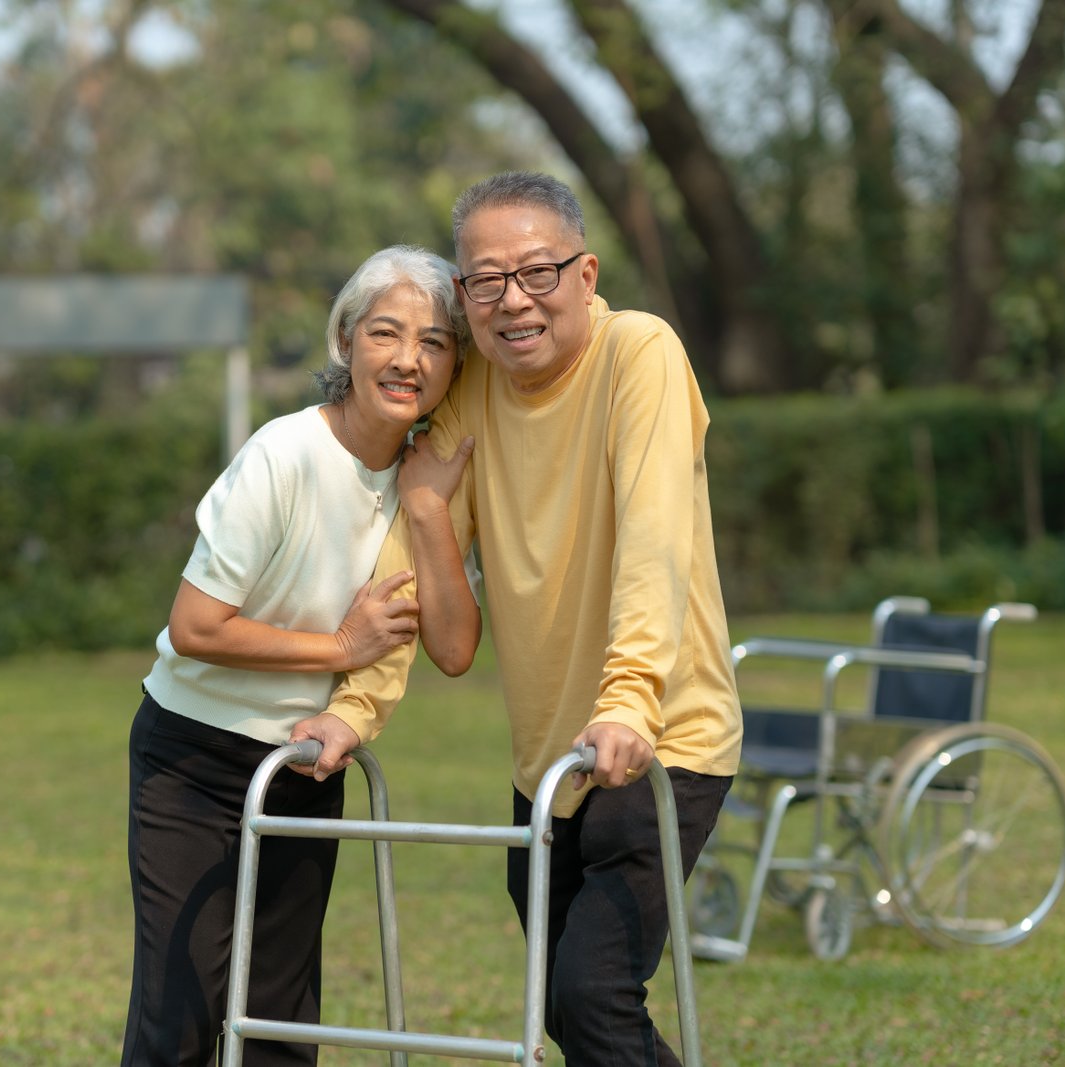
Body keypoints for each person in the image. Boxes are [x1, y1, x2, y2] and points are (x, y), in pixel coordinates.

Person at [316, 171, 743, 1066]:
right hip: (549, 757)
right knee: (568, 1007)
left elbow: (655, 538)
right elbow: (423, 598)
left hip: (661, 735)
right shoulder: (472, 392)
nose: (514, 301)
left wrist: (629, 699)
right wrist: (355, 706)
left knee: (592, 994)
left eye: (537, 273)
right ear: (465, 295)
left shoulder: (640, 352)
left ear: (585, 275)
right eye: (484, 280)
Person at [122, 244, 478, 1067]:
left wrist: (427, 515)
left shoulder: (430, 480)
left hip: (307, 762)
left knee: (283, 1023)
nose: (407, 359)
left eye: (434, 342)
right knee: (181, 1010)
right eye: (386, 333)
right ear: (346, 342)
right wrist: (338, 646)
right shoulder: (282, 454)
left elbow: (452, 646)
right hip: (193, 755)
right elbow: (194, 628)